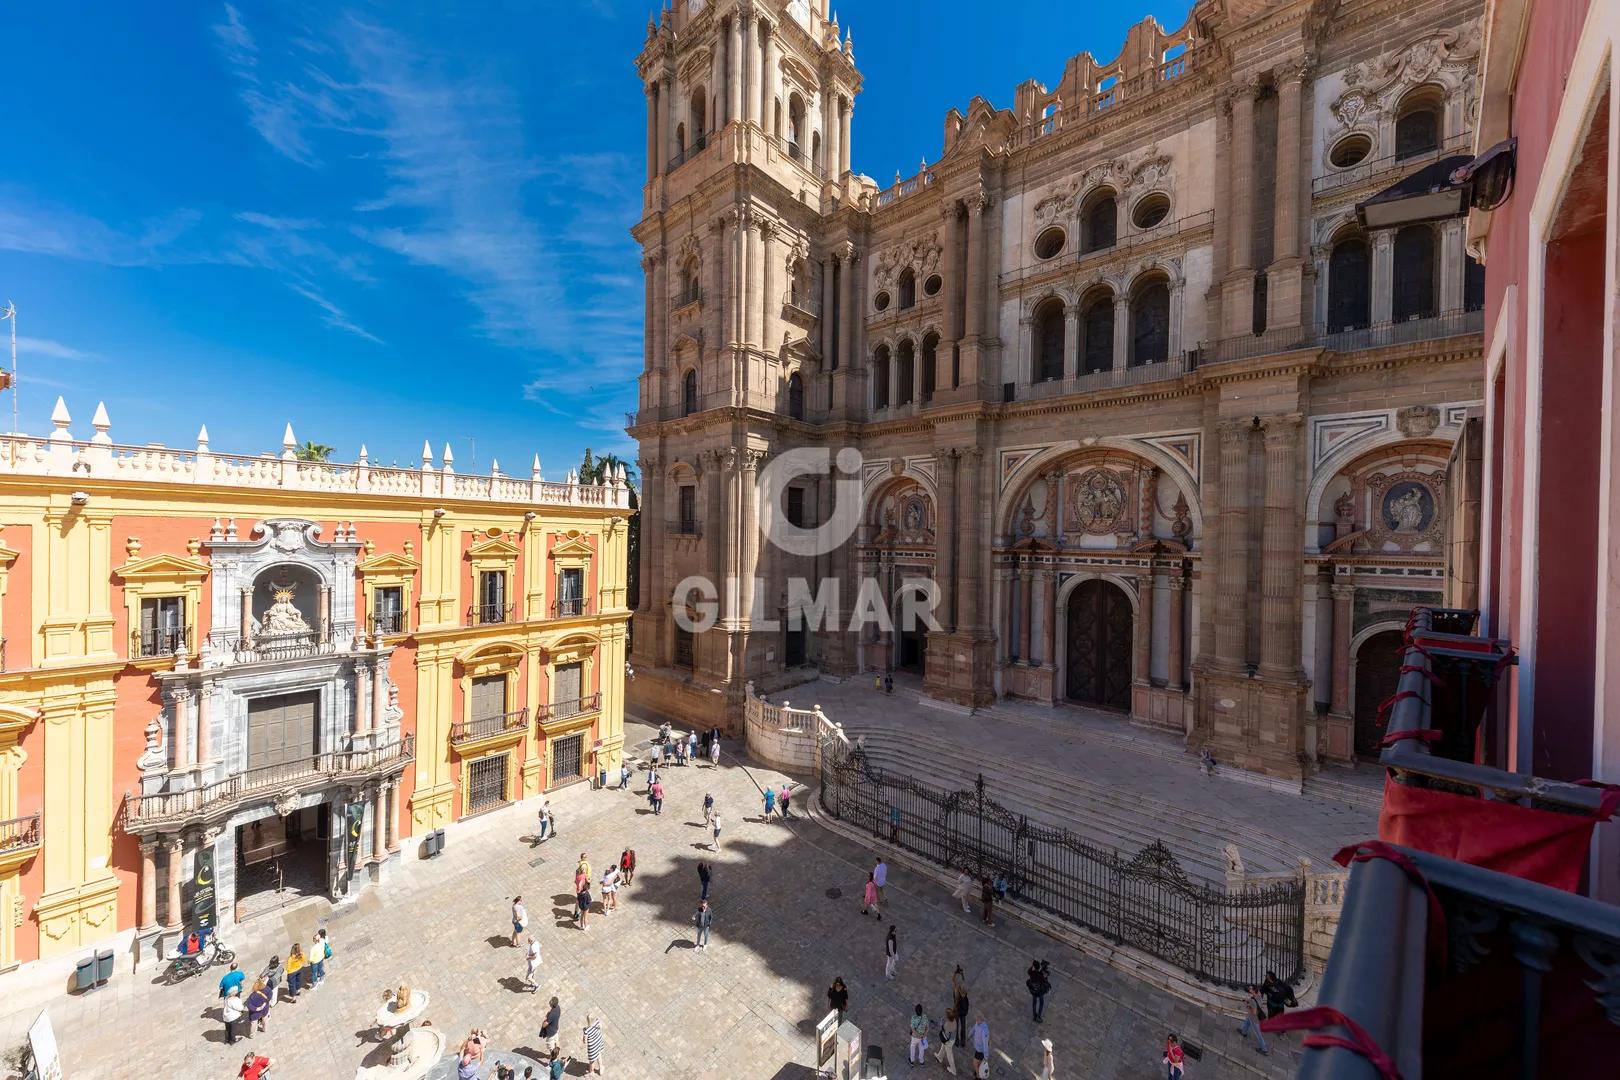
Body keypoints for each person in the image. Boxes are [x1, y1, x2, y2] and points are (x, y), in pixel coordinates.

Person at [1237, 984, 1270, 1054]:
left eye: (1250, 989)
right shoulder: (1259, 995)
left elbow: (1254, 1012)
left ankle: (1264, 1049)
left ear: (1254, 990)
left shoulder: (1252, 1001)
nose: (1249, 989)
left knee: (1258, 1034)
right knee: (1247, 1021)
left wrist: (1247, 1005)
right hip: (1253, 1016)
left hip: (1255, 1019)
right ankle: (1244, 1032)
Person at [935, 1008, 958, 1075]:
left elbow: (943, 1030)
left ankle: (953, 1069)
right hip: (952, 1039)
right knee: (943, 1046)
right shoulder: (954, 1021)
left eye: (946, 1014)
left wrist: (941, 1023)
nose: (945, 1015)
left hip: (948, 1041)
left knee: (949, 1055)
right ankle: (940, 1057)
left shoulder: (947, 1025)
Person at [1027, 959, 1051, 1023]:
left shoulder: (1031, 972)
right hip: (1040, 992)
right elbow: (1045, 980)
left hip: (1033, 991)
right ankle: (1039, 1016)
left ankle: (1034, 1015)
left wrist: (1032, 965)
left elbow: (1029, 971)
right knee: (1041, 1002)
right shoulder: (1040, 975)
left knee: (1034, 1002)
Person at [951, 967, 970, 1048]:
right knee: (963, 1026)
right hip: (963, 1011)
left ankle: (957, 1041)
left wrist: (955, 973)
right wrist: (962, 974)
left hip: (957, 1011)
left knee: (956, 1026)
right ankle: (963, 1042)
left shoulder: (956, 992)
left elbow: (953, 980)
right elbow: (963, 981)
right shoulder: (964, 992)